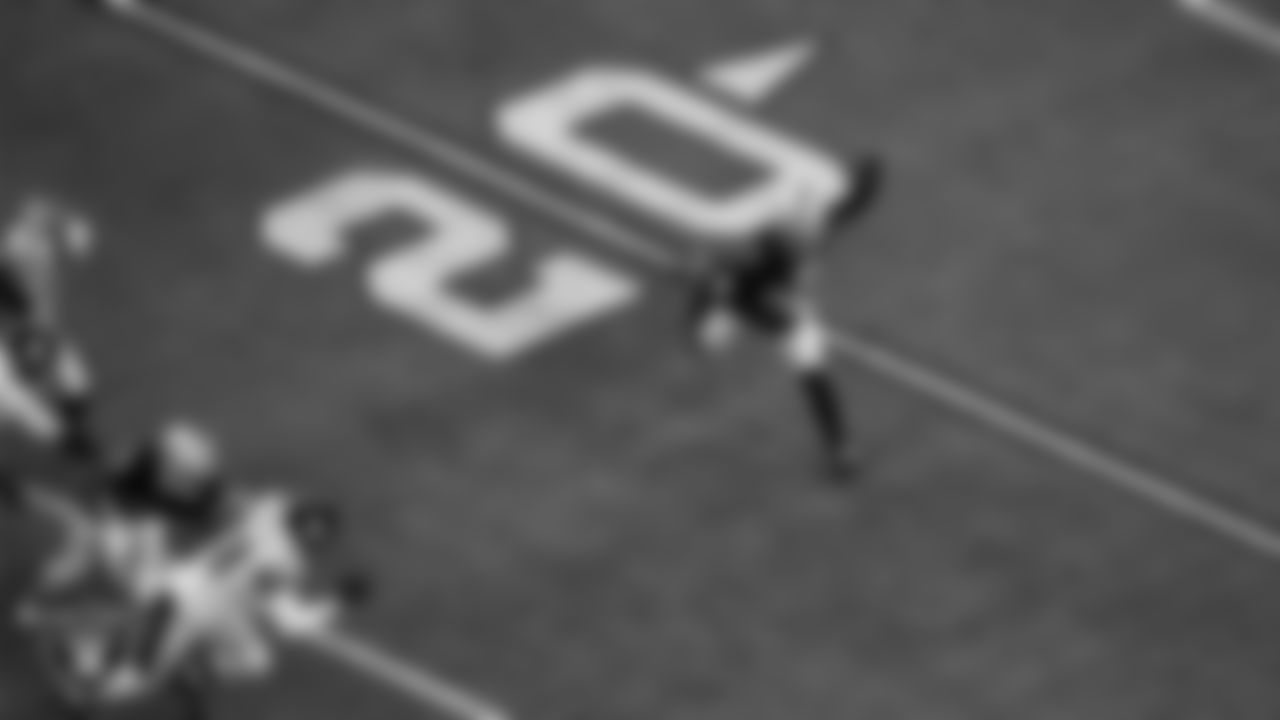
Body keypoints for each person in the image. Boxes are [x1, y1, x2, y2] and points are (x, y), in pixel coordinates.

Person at [689, 155, 884, 481]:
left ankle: (840, 447)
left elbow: (797, 253)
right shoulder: (806, 210)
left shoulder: (822, 207)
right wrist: (730, 282)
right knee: (713, 337)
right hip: (758, 274)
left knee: (807, 354)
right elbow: (760, 252)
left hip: (775, 275)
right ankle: (711, 289)